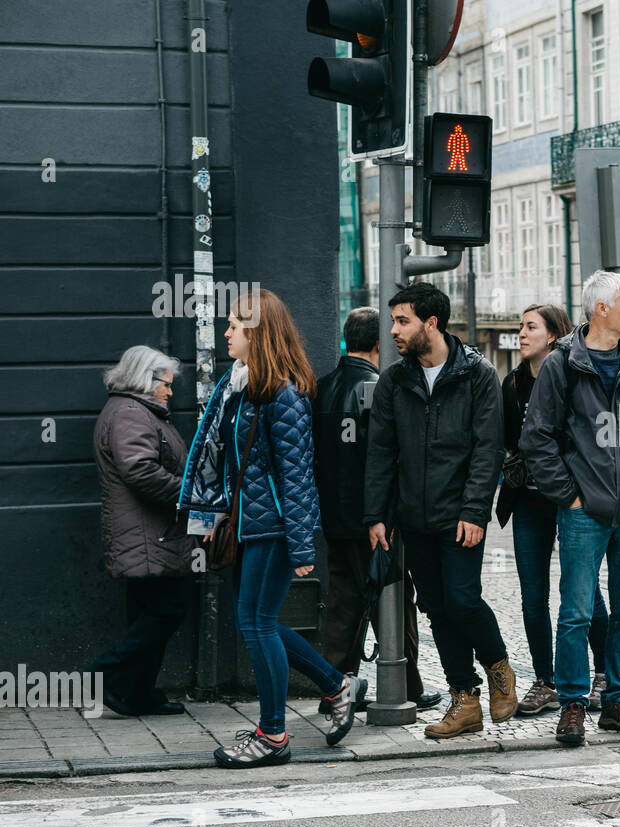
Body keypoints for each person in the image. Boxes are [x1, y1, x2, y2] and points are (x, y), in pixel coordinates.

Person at [180, 290, 361, 767]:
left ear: (257, 332)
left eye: (235, 325)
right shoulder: (240, 386)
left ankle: (274, 735)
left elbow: (297, 476)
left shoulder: (283, 394)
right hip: (248, 525)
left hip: (275, 528)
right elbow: (227, 463)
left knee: (255, 624)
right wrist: (212, 514)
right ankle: (337, 684)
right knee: (259, 623)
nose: (226, 334)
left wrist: (303, 548)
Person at [519, 271, 620, 746]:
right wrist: (567, 493)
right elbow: (537, 438)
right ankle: (571, 705)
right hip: (583, 511)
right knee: (575, 613)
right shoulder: (563, 363)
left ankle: (617, 701)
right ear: (601, 309)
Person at [364, 282, 517, 739]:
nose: (393, 330)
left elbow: (488, 450)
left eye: (402, 320)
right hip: (413, 516)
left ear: (431, 324)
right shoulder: (395, 379)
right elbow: (381, 452)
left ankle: (498, 667)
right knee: (436, 607)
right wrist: (377, 515)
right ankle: (464, 700)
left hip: (460, 515)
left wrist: (474, 511)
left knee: (462, 599)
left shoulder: (477, 375)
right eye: (393, 320)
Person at [313, 307, 440, 714]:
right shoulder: (378, 387)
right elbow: (387, 459)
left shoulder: (321, 387)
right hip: (377, 519)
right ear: (378, 344)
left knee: (343, 602)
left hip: (335, 516)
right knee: (395, 597)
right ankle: (408, 684)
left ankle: (334, 685)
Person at [497, 303, 611, 715]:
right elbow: (508, 440)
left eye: (530, 327)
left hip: (572, 498)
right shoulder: (511, 385)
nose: (521, 334)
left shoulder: (573, 377)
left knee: (584, 592)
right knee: (532, 596)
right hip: (528, 501)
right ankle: (545, 681)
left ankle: (603, 673)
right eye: (520, 326)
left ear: (552, 336)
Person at [90, 346, 194, 717]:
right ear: (146, 381)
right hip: (148, 532)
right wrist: (188, 494)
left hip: (151, 532)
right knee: (167, 609)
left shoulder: (137, 411)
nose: (171, 391)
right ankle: (103, 676)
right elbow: (141, 471)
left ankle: (136, 693)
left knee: (149, 611)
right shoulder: (131, 414)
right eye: (166, 383)